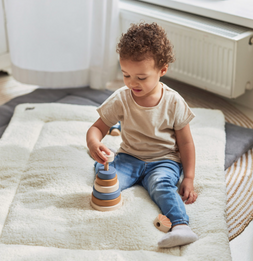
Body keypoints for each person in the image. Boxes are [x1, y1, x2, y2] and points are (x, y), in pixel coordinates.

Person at [86, 22, 198, 248]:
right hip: (129, 157)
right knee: (105, 175)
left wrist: (189, 178)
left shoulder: (173, 101)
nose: (131, 83)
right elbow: (97, 128)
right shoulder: (121, 97)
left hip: (164, 160)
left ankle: (181, 226)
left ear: (162, 71)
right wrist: (93, 143)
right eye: (126, 74)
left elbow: (186, 142)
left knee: (161, 186)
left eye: (141, 77)